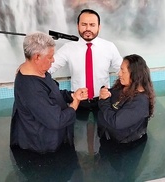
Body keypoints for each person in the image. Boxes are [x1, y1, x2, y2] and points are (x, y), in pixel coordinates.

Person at [49, 8, 122, 157]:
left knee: (104, 135)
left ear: (99, 27)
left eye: (92, 24)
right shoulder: (68, 48)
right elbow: (49, 67)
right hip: (78, 102)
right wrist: (30, 68)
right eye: (84, 24)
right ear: (78, 26)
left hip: (102, 102)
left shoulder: (109, 47)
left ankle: (101, 155)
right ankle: (83, 152)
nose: (88, 28)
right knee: (77, 134)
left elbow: (123, 71)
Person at [10, 32, 88, 154]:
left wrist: (71, 95)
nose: (53, 60)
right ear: (36, 57)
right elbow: (56, 121)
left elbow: (52, 92)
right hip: (43, 146)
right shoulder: (32, 89)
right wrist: (75, 103)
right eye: (50, 57)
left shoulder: (37, 70)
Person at [98, 54, 155, 144]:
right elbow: (110, 96)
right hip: (108, 136)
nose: (119, 73)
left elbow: (116, 122)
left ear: (134, 74)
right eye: (120, 69)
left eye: (123, 71)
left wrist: (103, 101)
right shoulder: (123, 86)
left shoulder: (140, 102)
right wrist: (104, 92)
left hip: (125, 145)